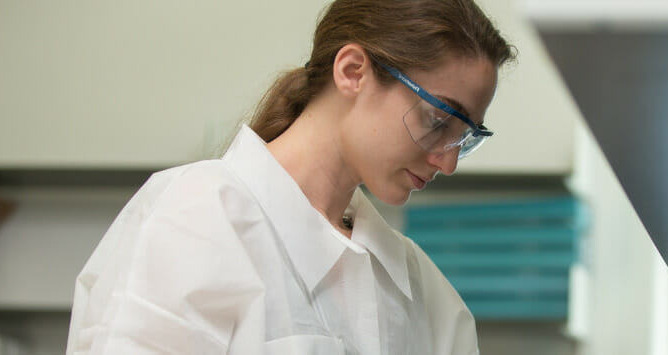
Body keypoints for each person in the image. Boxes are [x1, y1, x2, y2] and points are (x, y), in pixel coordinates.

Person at [64, 0, 515, 354]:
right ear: (353, 71)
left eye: (465, 137)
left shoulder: (424, 292)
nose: (448, 162)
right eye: (438, 120)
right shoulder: (198, 217)